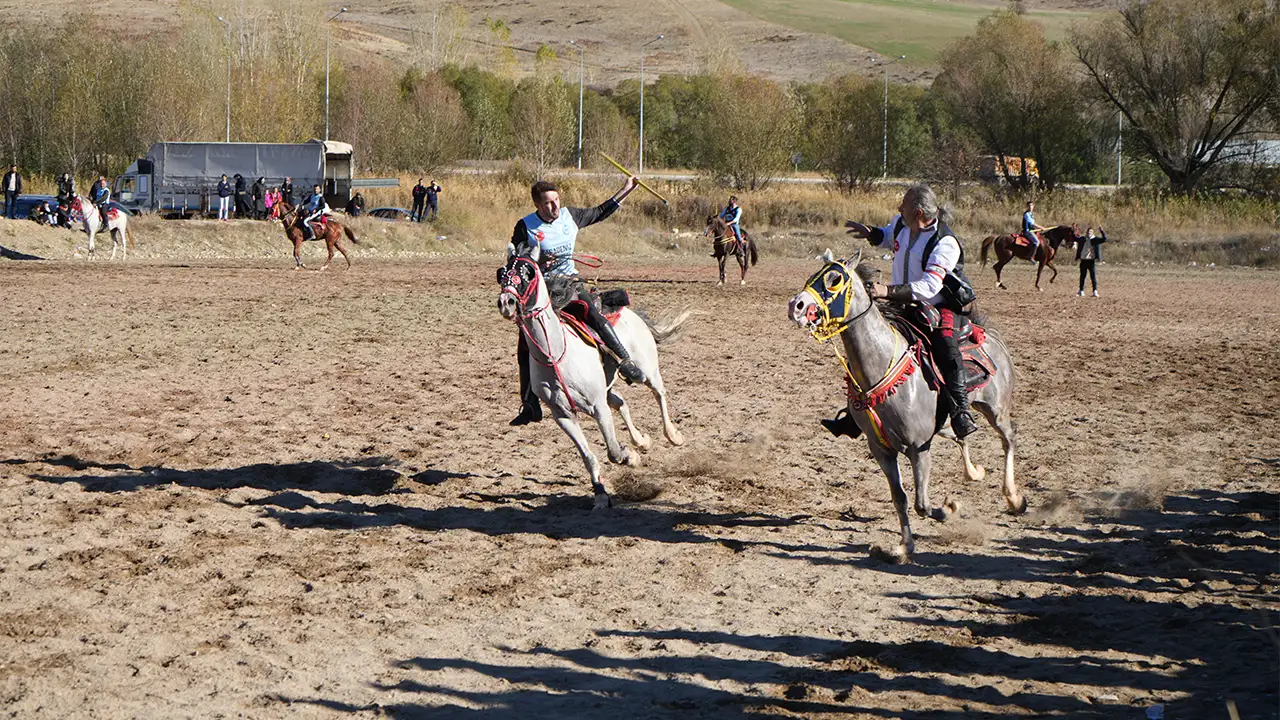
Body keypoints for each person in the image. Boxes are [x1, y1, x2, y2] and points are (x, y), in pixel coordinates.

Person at [840, 183, 981, 439]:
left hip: (938, 305)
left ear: (918, 213)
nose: (899, 208)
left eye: (903, 205)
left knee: (945, 345)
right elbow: (888, 237)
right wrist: (871, 233)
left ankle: (960, 410)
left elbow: (929, 287)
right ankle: (855, 414)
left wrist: (886, 291)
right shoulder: (901, 224)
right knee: (864, 340)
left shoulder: (945, 243)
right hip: (900, 303)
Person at [507, 176, 642, 426]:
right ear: (537, 205)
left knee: (593, 314)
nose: (554, 206)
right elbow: (517, 261)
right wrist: (537, 261)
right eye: (548, 203)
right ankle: (530, 405)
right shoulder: (525, 226)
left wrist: (626, 189)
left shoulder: (570, 216)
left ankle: (624, 361)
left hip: (569, 285)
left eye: (556, 200)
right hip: (542, 291)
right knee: (525, 344)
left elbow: (600, 212)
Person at [1076, 226, 1107, 298]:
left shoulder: (1095, 239)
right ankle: (1081, 291)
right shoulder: (1082, 239)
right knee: (1082, 276)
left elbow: (1104, 239)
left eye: (1090, 232)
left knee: (1093, 277)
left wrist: (1102, 231)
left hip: (1091, 260)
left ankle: (1095, 291)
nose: (1089, 233)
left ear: (1093, 233)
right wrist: (1074, 229)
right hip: (1083, 260)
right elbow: (1075, 238)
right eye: (1088, 231)